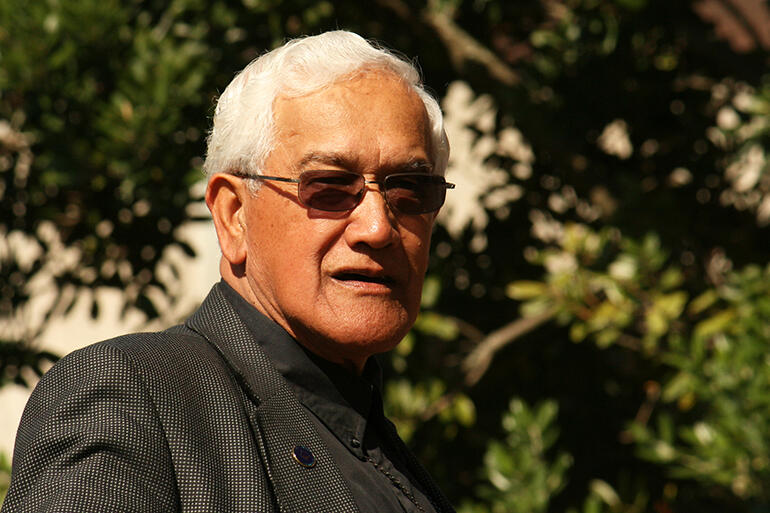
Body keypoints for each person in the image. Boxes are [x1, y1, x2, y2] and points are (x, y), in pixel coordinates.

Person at [2, 30, 456, 512]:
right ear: (233, 215)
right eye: (328, 187)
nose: (377, 227)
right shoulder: (132, 397)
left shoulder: (395, 465)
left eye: (409, 190)